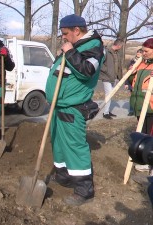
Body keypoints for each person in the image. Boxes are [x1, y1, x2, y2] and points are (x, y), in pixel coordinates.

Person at [45, 14, 105, 206]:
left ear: (77, 31)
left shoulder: (93, 47)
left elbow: (87, 70)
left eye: (65, 33)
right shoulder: (76, 46)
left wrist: (70, 52)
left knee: (74, 146)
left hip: (72, 107)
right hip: (59, 104)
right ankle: (64, 176)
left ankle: (84, 189)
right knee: (58, 143)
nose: (63, 37)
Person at [130, 38, 153, 173]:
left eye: (146, 51)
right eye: (142, 51)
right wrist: (131, 72)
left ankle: (148, 160)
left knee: (149, 134)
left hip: (150, 107)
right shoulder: (141, 64)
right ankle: (143, 157)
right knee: (143, 132)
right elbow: (132, 82)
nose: (143, 53)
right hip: (139, 105)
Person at [99, 39, 124, 119]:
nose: (121, 47)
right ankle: (105, 113)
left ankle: (107, 111)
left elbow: (119, 67)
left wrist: (120, 78)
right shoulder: (106, 52)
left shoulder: (116, 54)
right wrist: (106, 71)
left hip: (113, 78)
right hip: (106, 77)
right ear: (119, 45)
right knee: (109, 95)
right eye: (121, 46)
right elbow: (100, 63)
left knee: (111, 95)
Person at [125, 48, 143, 116]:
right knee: (132, 97)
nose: (138, 53)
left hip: (139, 82)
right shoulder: (132, 62)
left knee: (140, 97)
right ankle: (131, 110)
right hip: (131, 81)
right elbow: (127, 73)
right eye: (137, 52)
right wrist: (126, 83)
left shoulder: (144, 63)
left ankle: (139, 110)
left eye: (140, 52)